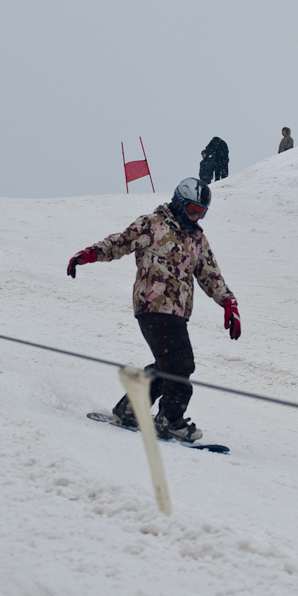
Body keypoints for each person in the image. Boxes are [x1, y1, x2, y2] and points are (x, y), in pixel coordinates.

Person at [66, 178, 240, 442]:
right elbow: (119, 243)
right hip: (153, 305)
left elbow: (210, 274)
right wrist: (90, 254)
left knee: (168, 364)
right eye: (193, 210)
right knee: (181, 364)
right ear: (180, 204)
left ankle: (129, 409)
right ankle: (170, 420)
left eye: (202, 213)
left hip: (178, 311)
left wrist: (229, 303)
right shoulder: (152, 224)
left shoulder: (197, 239)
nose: (196, 217)